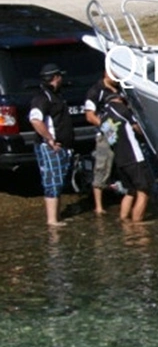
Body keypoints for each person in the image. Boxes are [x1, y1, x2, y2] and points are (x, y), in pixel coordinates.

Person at [29, 63, 75, 226]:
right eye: (60, 76)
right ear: (56, 77)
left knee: (59, 180)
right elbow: (35, 120)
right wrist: (49, 139)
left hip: (61, 146)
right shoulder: (42, 98)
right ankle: (52, 220)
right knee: (52, 181)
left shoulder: (56, 95)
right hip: (49, 146)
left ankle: (57, 217)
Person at [102, 95, 154, 222]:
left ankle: (124, 220)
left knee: (131, 191)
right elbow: (137, 128)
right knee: (144, 190)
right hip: (134, 156)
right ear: (119, 99)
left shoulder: (103, 117)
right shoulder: (121, 109)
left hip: (120, 159)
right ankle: (137, 224)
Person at [84, 71, 122, 214]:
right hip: (105, 135)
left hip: (123, 135)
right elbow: (89, 116)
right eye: (115, 74)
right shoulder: (96, 91)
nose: (118, 77)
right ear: (106, 73)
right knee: (102, 167)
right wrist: (107, 128)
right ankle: (99, 207)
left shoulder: (122, 89)